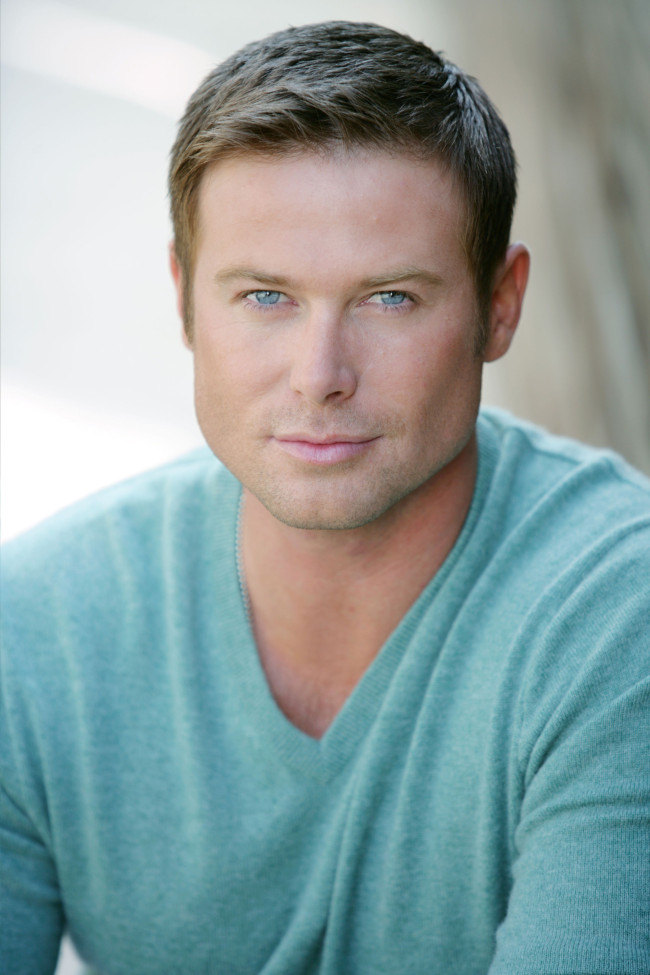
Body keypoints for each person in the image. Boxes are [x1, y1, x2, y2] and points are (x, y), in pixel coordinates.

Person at [1, 20, 648, 975]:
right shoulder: (36, 629)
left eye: (390, 297)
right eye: (266, 296)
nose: (320, 375)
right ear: (183, 299)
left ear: (499, 305)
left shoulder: (619, 619)